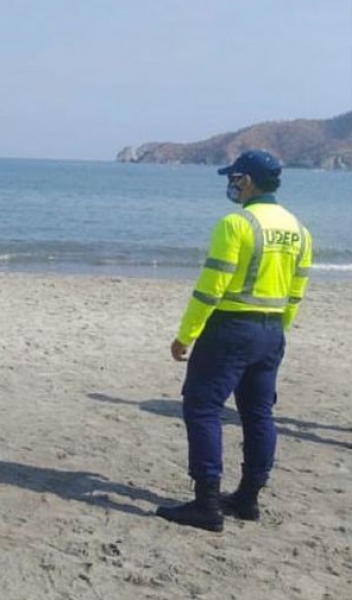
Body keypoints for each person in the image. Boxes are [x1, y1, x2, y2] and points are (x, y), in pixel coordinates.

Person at [156, 149, 313, 532]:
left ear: (247, 181)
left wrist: (185, 335)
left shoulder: (236, 224)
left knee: (202, 407)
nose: (231, 184)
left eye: (234, 178)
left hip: (230, 327)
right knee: (258, 412)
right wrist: (278, 333)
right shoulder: (299, 230)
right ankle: (248, 497)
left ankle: (206, 503)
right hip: (271, 329)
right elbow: (296, 293)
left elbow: (211, 288)